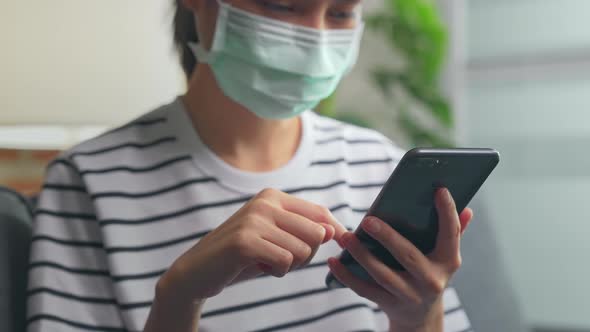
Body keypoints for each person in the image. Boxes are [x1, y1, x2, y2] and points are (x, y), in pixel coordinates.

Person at [26, 0, 474, 331]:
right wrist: (179, 296)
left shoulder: (382, 165)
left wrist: (421, 316)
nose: (315, 40)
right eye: (284, 6)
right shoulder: (87, 181)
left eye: (339, 14)